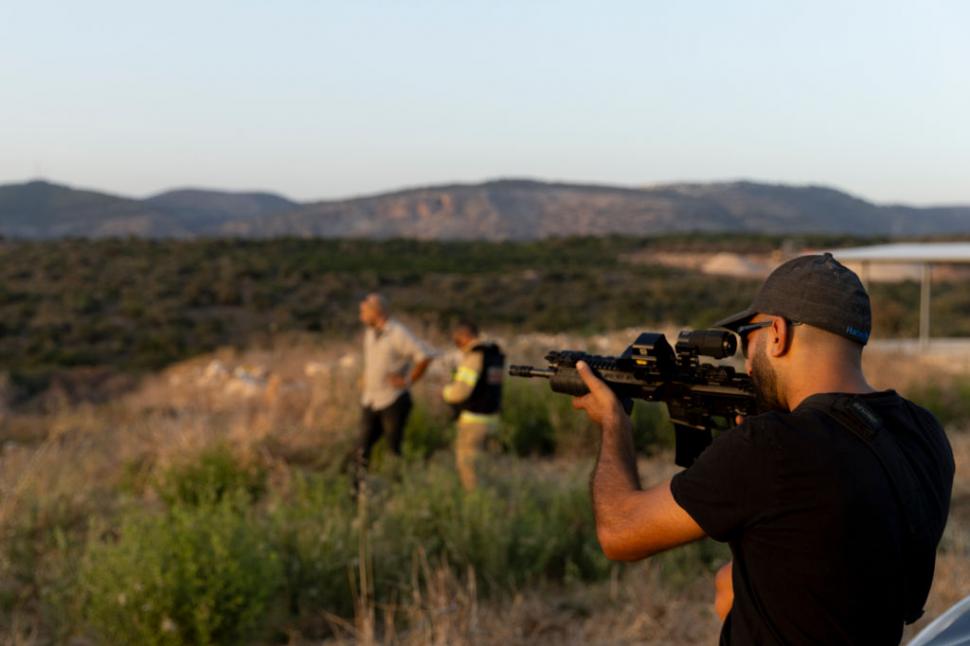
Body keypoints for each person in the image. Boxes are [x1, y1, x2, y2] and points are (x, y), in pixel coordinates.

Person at [571, 253, 954, 645]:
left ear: (777, 334)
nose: (747, 364)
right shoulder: (923, 431)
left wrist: (613, 422)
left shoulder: (773, 446)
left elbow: (620, 532)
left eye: (746, 340)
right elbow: (793, 564)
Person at [357, 293, 435, 481]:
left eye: (364, 311)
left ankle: (396, 488)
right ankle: (358, 491)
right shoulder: (369, 333)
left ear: (377, 312)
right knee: (361, 448)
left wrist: (408, 380)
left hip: (393, 400)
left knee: (393, 449)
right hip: (370, 399)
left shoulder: (398, 333)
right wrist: (366, 376)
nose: (361, 314)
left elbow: (424, 355)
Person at [441, 320, 504, 490]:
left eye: (457, 339)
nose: (457, 344)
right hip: (492, 419)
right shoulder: (494, 354)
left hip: (473, 422)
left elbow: (461, 391)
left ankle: (475, 505)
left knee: (470, 470)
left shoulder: (474, 357)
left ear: (465, 336)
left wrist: (445, 392)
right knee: (488, 468)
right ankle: (491, 500)